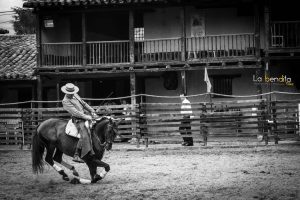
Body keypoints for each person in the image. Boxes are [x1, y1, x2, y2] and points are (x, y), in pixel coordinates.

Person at [61, 83, 96, 163]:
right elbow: (76, 112)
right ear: (66, 92)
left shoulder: (75, 95)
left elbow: (83, 103)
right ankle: (76, 155)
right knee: (84, 134)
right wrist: (86, 117)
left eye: (72, 92)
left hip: (85, 114)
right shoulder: (65, 101)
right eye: (70, 93)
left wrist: (92, 110)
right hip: (78, 119)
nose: (72, 94)